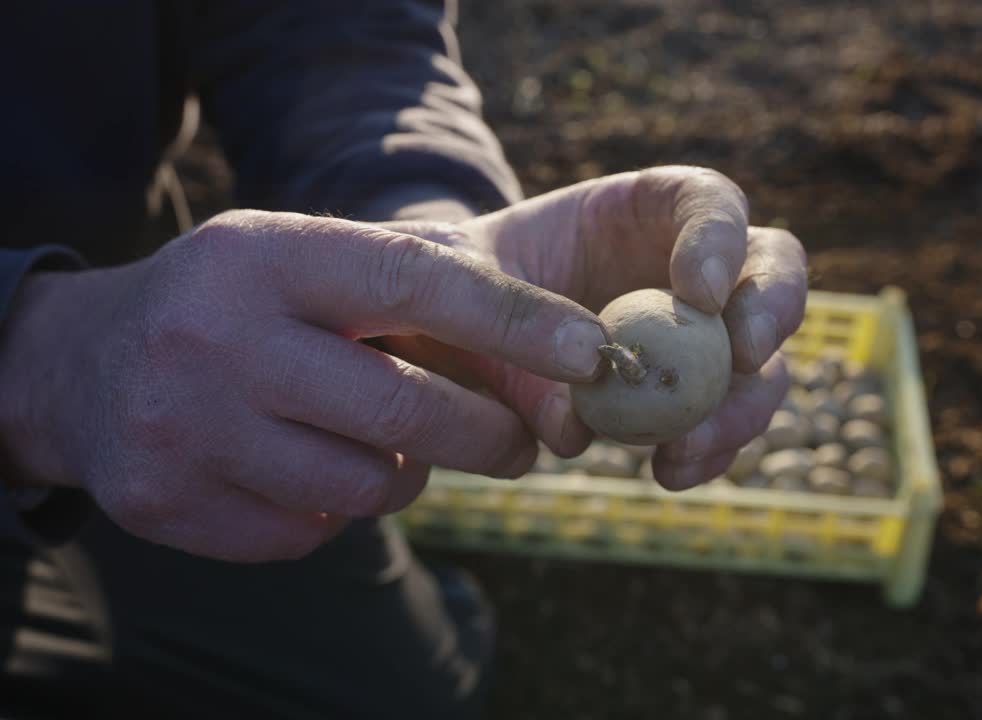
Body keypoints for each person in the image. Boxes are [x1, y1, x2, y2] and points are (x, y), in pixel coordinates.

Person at [0, 1, 807, 717]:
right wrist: (38, 352)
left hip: (131, 333)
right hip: (83, 349)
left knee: (401, 692)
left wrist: (433, 242)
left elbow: (337, 33)